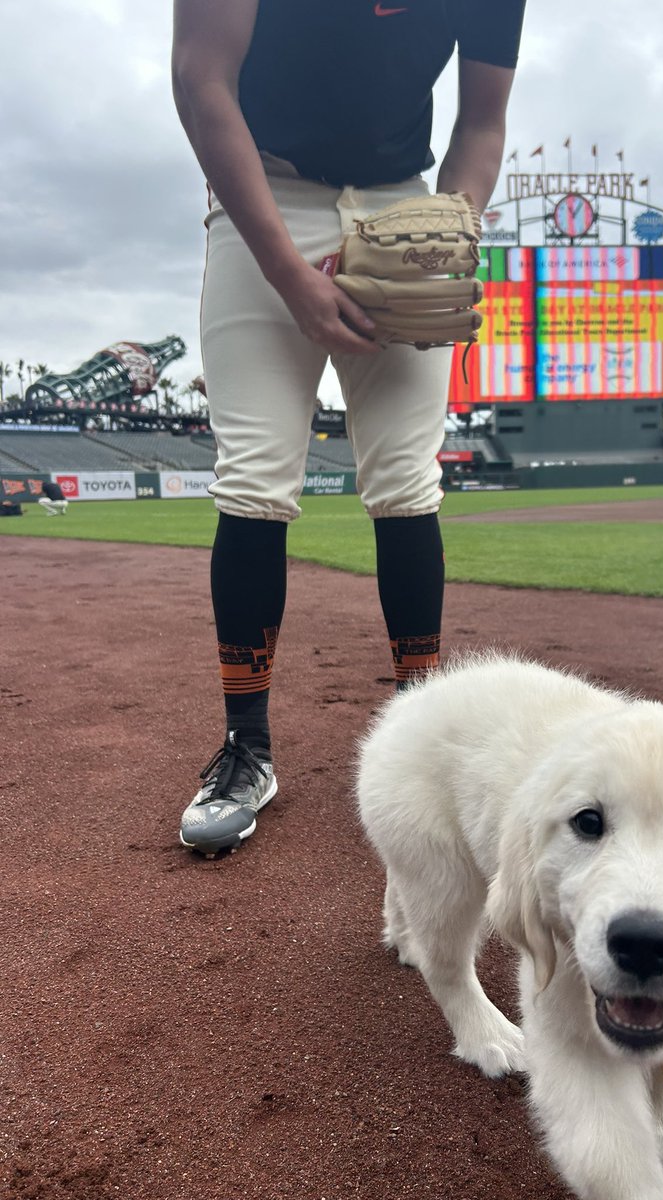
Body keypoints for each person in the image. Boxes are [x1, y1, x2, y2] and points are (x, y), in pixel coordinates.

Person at [172, 0, 527, 856]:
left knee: (407, 481)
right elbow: (201, 79)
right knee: (256, 479)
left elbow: (482, 122)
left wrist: (446, 235)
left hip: (402, 205)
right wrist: (289, 272)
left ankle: (424, 744)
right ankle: (246, 748)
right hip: (264, 191)